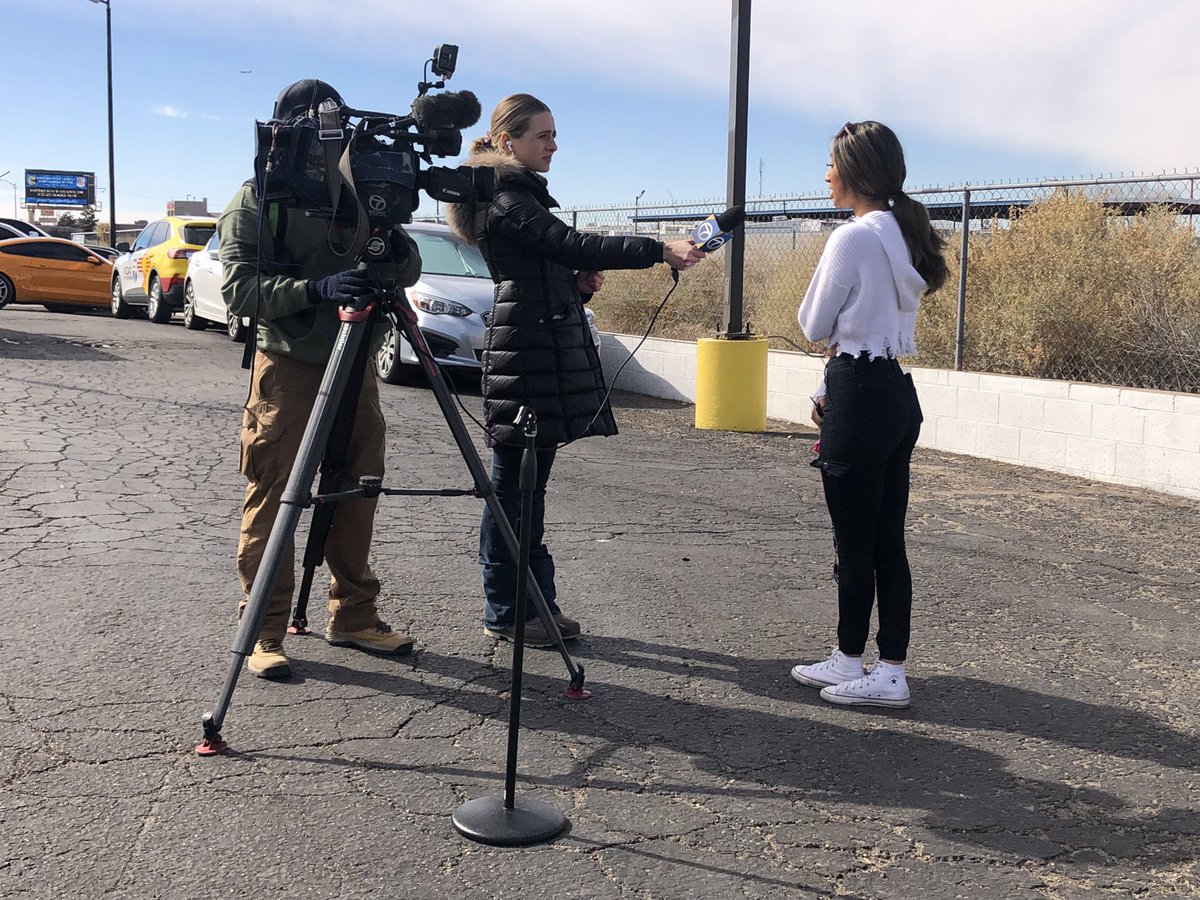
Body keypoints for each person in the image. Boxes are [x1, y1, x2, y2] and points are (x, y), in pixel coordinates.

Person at [445, 93, 704, 647]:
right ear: (508, 141)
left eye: (554, 135)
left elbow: (545, 263)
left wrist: (572, 282)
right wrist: (658, 248)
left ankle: (533, 603)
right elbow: (568, 243)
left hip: (535, 352)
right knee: (513, 491)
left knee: (525, 492)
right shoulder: (509, 198)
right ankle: (508, 610)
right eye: (544, 135)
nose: (554, 145)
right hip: (525, 355)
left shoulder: (514, 196)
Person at [218, 79, 423, 679]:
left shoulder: (356, 195)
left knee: (359, 487)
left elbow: (406, 269)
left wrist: (390, 240)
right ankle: (262, 630)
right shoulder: (257, 198)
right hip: (289, 364)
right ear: (283, 133)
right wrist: (315, 289)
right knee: (275, 492)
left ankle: (353, 616)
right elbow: (238, 292)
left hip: (355, 359)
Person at [789, 121, 948, 708]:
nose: (825, 175)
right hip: (895, 392)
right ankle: (860, 659)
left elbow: (813, 324)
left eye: (831, 164)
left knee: (855, 542)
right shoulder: (902, 232)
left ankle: (880, 670)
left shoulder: (852, 237)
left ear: (854, 171)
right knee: (885, 541)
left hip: (859, 391)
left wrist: (830, 373)